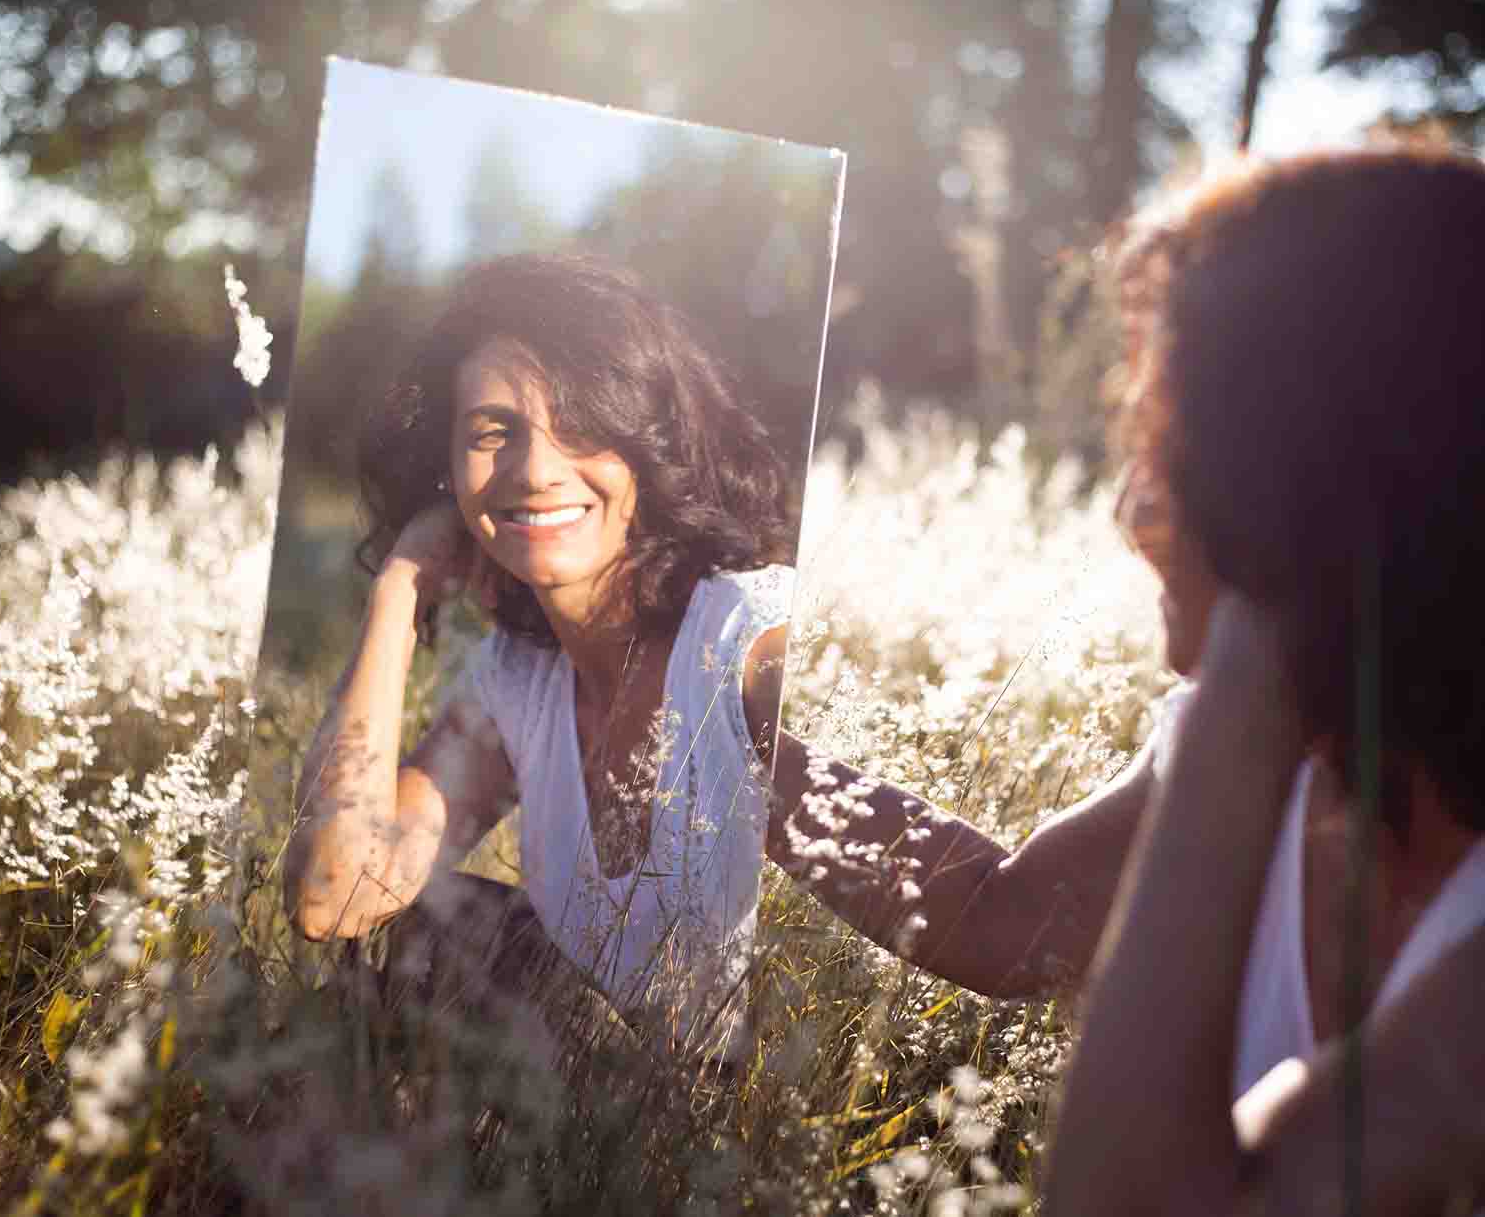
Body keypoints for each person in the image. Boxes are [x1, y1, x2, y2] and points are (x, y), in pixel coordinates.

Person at [282, 252, 1041, 1063]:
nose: (536, 469)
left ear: (647, 442)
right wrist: (400, 589)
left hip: (757, 1143)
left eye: (581, 422)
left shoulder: (742, 642)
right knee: (423, 933)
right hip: (603, 1132)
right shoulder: (521, 681)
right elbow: (335, 895)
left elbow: (997, 928)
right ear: (447, 471)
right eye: (493, 431)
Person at [1045, 147, 1485, 1215]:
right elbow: (996, 909)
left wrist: (1256, 660)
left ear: (1285, 487)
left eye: (1170, 449)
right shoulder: (1321, 769)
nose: (1135, 512)